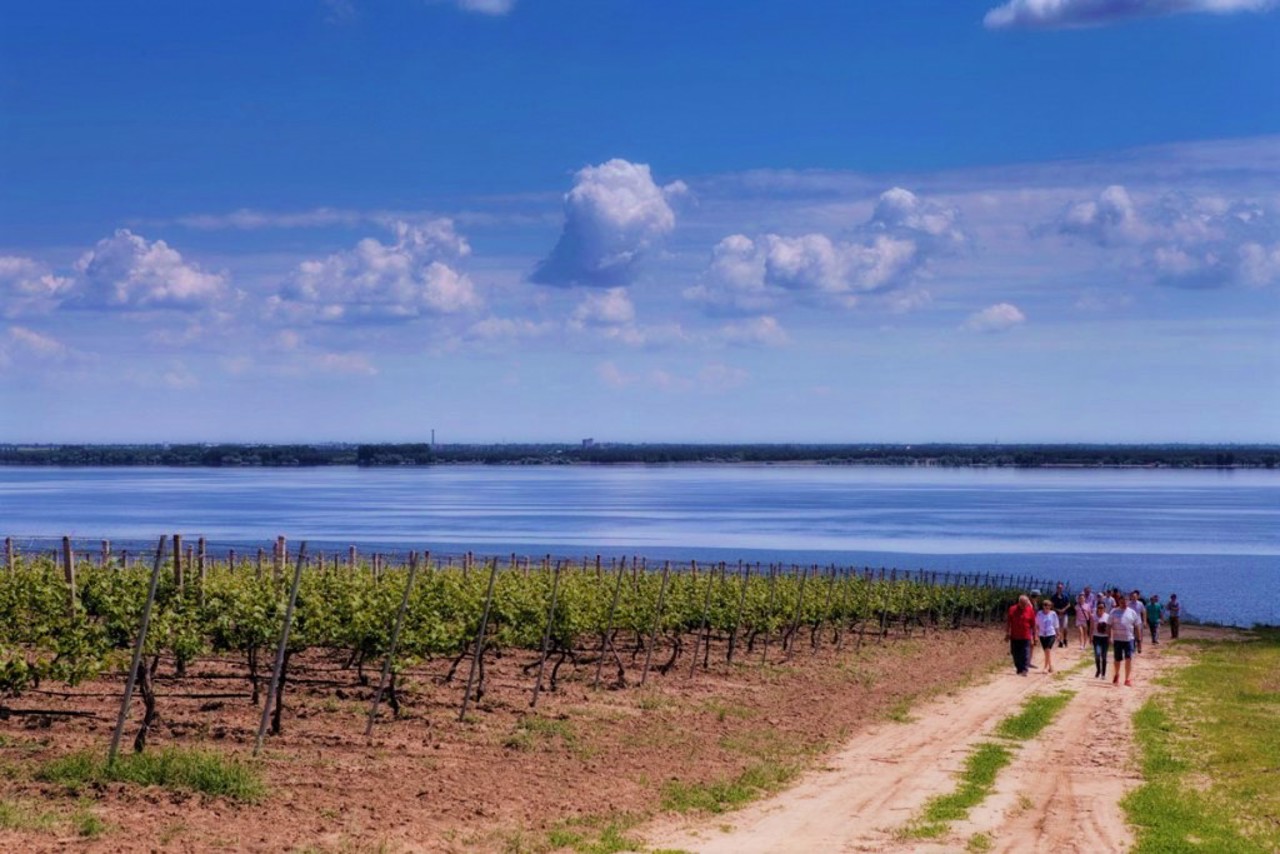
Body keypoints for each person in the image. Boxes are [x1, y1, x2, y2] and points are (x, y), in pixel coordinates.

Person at [1109, 597, 1140, 686]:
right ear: (1119, 602)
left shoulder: (1132, 612)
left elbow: (1137, 626)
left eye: (1126, 602)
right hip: (1117, 639)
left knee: (1128, 658)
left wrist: (1139, 639)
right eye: (1122, 602)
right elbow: (1109, 625)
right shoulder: (1113, 612)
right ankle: (1117, 674)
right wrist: (1109, 637)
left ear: (1128, 602)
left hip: (1129, 639)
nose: (1124, 603)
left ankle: (1127, 679)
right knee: (1117, 659)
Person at [1006, 595, 1036, 676]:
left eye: (1025, 604)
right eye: (1022, 604)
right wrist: (1007, 633)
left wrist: (1034, 636)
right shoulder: (1012, 609)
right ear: (1019, 602)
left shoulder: (1030, 610)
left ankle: (1024, 669)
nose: (1024, 606)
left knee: (1025, 652)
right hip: (1014, 635)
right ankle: (1019, 668)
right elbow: (1009, 622)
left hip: (1025, 636)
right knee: (1015, 653)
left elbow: (1033, 624)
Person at [1036, 598, 1060, 674]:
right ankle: (1050, 666)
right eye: (1045, 605)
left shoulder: (1053, 614)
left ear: (1050, 606)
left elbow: (1056, 624)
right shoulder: (1039, 613)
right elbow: (1036, 624)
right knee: (1046, 652)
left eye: (1049, 605)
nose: (1047, 607)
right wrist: (1036, 634)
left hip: (1051, 634)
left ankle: (1045, 667)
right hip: (1042, 634)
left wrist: (1058, 633)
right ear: (1043, 606)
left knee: (1047, 649)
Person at [1091, 600, 1110, 678]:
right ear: (1097, 608)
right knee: (1097, 655)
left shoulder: (1108, 616)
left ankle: (1103, 674)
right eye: (1099, 607)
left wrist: (1110, 637)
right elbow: (1091, 628)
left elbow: (1109, 628)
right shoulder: (1093, 616)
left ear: (1104, 608)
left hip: (1105, 638)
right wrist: (1090, 637)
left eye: (1102, 608)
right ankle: (1098, 669)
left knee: (1104, 656)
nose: (1100, 609)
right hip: (1096, 637)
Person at [1050, 583, 1071, 648]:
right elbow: (1051, 605)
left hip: (1064, 614)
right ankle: (1060, 641)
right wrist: (1058, 610)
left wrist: (1064, 609)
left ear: (1062, 588)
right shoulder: (1053, 597)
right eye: (1058, 588)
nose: (1060, 589)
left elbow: (1069, 604)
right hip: (1056, 614)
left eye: (1061, 588)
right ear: (1057, 588)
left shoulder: (1065, 596)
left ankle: (1065, 639)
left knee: (1064, 627)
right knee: (1058, 628)